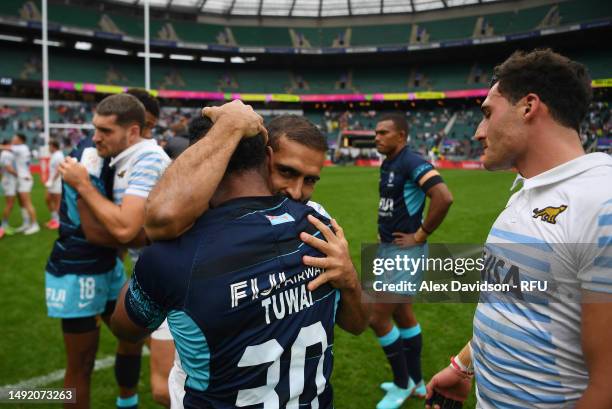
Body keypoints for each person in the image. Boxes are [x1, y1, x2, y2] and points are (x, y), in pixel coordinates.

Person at [111, 114, 363, 408]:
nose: (296, 192)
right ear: (265, 157)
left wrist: (349, 279)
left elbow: (125, 329)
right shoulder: (315, 225)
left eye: (310, 180)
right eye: (286, 171)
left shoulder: (318, 226)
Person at [426, 49, 612, 409]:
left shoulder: (602, 203)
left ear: (528, 107)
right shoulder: (526, 194)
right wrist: (465, 366)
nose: (479, 131)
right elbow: (517, 301)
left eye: (487, 113)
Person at [48, 93, 168, 409]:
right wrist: (153, 237)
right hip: (77, 268)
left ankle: (126, 402)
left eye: (150, 129)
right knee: (81, 364)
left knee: (132, 337)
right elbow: (101, 232)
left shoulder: (127, 156)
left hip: (109, 265)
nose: (147, 137)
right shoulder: (89, 157)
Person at [371, 113, 453, 409]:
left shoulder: (410, 161)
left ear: (402, 136)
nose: (376, 137)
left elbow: (443, 197)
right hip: (389, 249)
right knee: (403, 313)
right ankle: (417, 382)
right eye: (376, 133)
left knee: (376, 316)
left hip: (404, 252)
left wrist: (420, 236)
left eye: (383, 133)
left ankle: (402, 384)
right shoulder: (389, 162)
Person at [0, 133, 39, 234]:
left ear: (20, 140)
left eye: (15, 138)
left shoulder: (21, 147)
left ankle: (35, 225)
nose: (13, 139)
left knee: (27, 202)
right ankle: (26, 223)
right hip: (22, 178)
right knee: (22, 202)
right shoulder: (22, 148)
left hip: (24, 178)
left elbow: (4, 147)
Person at [44, 139, 64, 229]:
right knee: (47, 199)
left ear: (53, 146)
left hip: (57, 183)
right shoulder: (54, 155)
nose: (48, 148)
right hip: (52, 182)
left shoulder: (59, 155)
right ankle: (54, 219)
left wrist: (52, 180)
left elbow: (59, 169)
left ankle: (57, 221)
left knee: (57, 202)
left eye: (49, 146)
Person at [0, 138, 18, 237]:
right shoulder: (6, 154)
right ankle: (3, 225)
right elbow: (8, 168)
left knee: (9, 204)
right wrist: (19, 174)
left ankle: (4, 225)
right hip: (9, 182)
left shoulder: (4, 154)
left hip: (7, 181)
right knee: (9, 204)